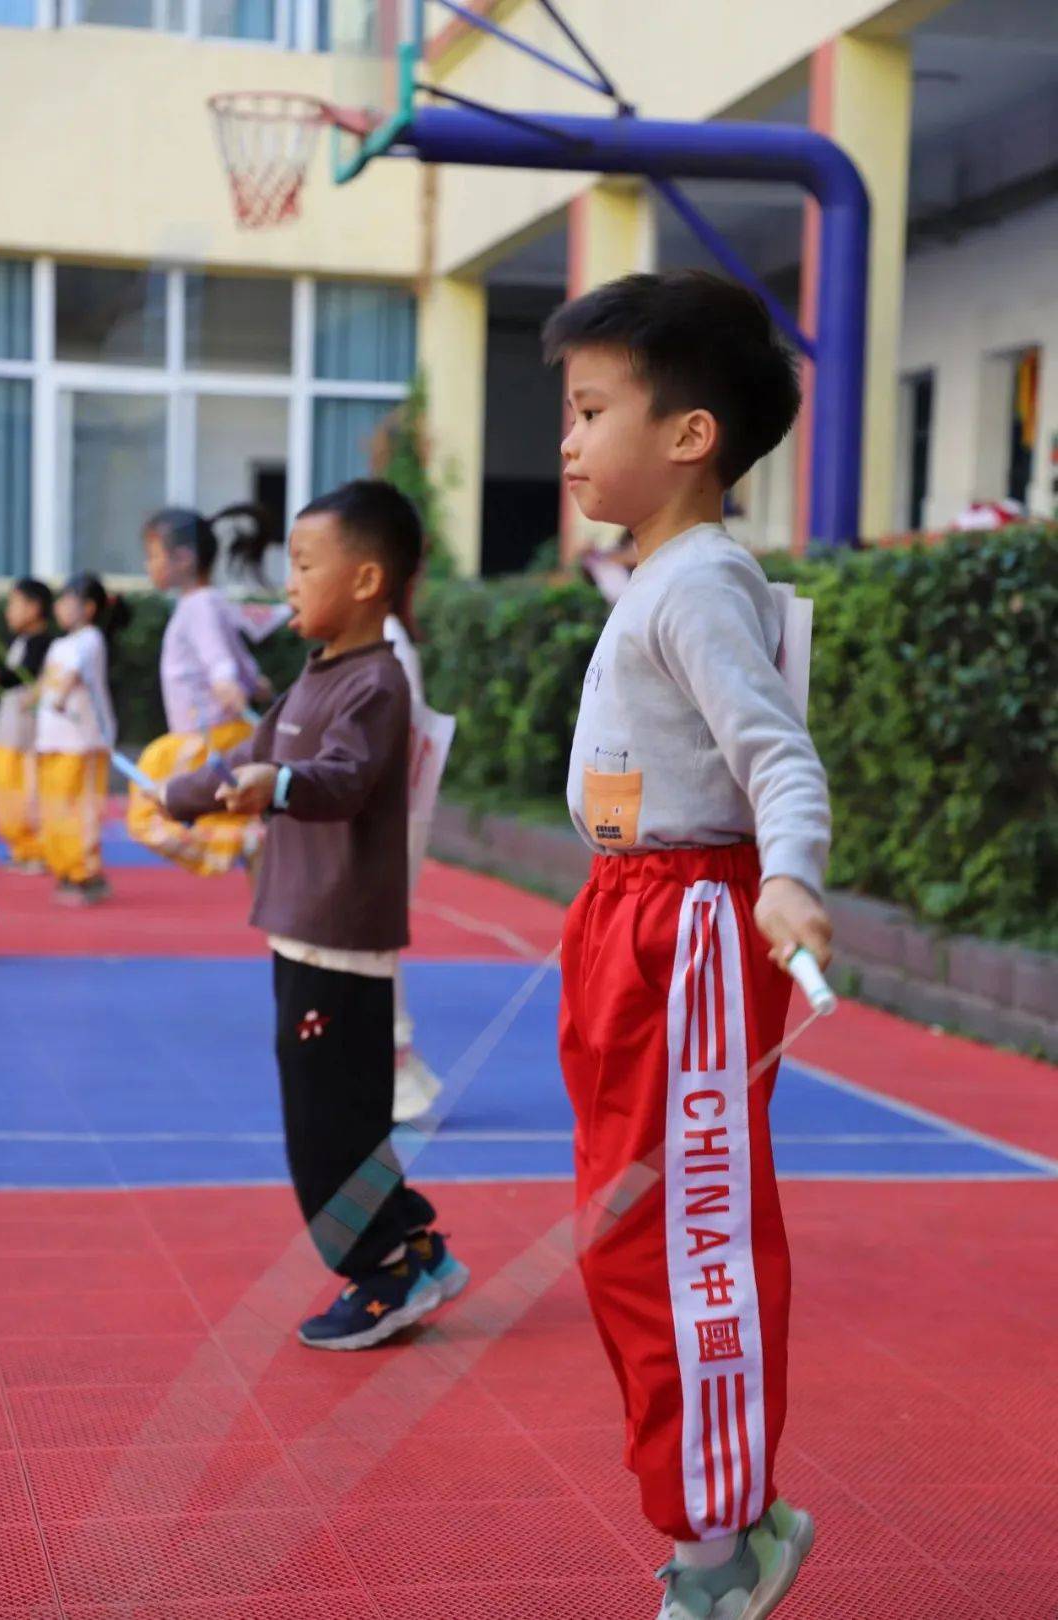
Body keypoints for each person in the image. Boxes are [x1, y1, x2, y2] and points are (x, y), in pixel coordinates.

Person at [545, 271, 833, 1620]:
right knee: (624, 1233)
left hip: (694, 930)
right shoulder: (658, 577)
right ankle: (723, 1512)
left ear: (689, 437)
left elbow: (778, 755)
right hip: (627, 914)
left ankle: (722, 1547)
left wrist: (789, 878)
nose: (568, 437)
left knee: (682, 1234)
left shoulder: (699, 584)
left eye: (593, 408)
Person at [162, 479, 468, 1349]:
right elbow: (249, 761)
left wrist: (282, 786)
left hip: (340, 939)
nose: (288, 583)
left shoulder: (376, 684)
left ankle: (383, 1277)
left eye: (304, 565)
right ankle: (415, 1244)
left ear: (367, 580)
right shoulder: (315, 675)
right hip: (302, 931)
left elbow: (338, 782)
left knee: (326, 1134)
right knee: (337, 1118)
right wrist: (174, 799)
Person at [127, 504, 286, 876]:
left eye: (152, 555)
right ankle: (249, 842)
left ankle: (245, 839)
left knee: (147, 812)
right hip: (219, 734)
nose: (148, 565)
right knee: (236, 821)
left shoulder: (198, 605)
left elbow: (218, 657)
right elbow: (231, 651)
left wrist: (228, 682)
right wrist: (251, 682)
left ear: (182, 558)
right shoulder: (210, 602)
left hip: (208, 741)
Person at [383, 593, 443, 1123]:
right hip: (374, 817)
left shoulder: (387, 641)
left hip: (382, 818)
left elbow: (396, 737)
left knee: (372, 946)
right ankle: (393, 1070)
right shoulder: (374, 640)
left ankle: (396, 1072)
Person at [35, 573, 129, 905]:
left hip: (83, 741)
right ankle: (65, 868)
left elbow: (72, 675)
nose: (59, 606)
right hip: (52, 740)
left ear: (88, 608)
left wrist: (59, 694)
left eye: (67, 599)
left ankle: (86, 874)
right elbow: (48, 684)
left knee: (81, 809)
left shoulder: (90, 639)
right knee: (54, 808)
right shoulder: (59, 644)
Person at [0, 579, 55, 873]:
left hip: (26, 733)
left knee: (26, 792)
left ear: (34, 608)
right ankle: (20, 847)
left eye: (15, 604)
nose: (9, 612)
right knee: (3, 789)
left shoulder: (45, 643)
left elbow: (24, 676)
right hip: (6, 730)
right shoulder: (19, 641)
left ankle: (35, 849)